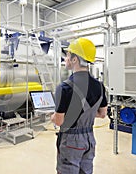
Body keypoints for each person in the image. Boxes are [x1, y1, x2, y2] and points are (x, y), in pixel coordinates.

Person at [51, 37, 108, 174]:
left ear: (75, 59)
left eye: (68, 56)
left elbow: (59, 121)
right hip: (89, 139)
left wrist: (52, 116)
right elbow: (102, 114)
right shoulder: (99, 86)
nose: (66, 59)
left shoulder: (64, 87)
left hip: (70, 141)